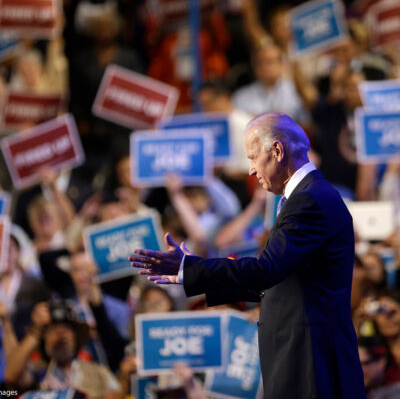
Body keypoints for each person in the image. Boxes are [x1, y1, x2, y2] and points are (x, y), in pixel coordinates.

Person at [129, 111, 366, 399]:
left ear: (277, 151)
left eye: (253, 158)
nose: (251, 170)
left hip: (310, 362)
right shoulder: (305, 197)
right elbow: (275, 282)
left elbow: (265, 272)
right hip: (302, 357)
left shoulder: (310, 200)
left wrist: (188, 268)